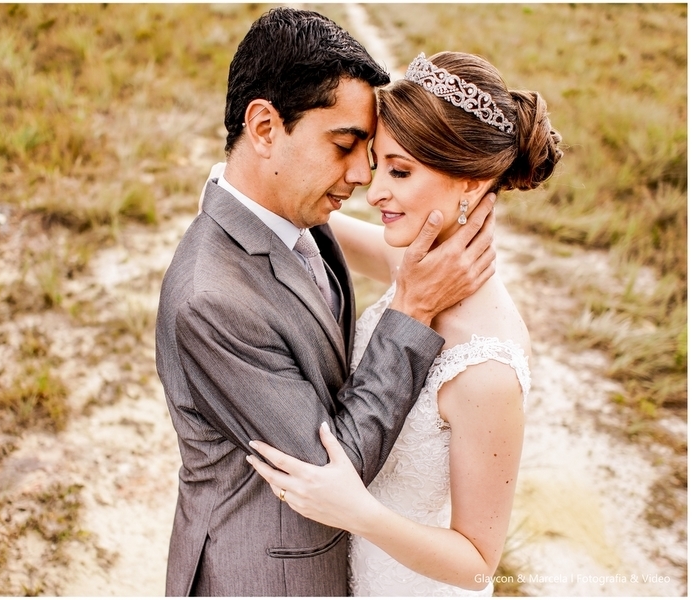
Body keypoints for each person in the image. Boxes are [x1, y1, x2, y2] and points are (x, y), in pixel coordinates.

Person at [154, 8, 497, 595]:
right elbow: (331, 469)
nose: (363, 174)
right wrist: (411, 311)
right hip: (267, 577)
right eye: (345, 144)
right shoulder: (209, 300)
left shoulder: (291, 209)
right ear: (264, 128)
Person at [247, 50, 564, 596]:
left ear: (470, 183)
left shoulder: (487, 365)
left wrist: (358, 512)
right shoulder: (418, 264)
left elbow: (478, 560)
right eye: (378, 164)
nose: (375, 192)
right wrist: (254, 188)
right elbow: (328, 227)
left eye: (400, 171)